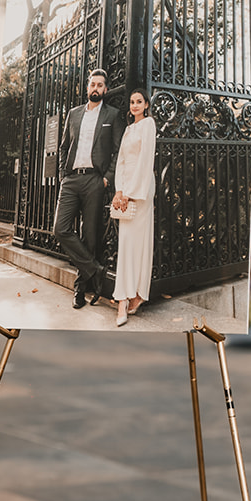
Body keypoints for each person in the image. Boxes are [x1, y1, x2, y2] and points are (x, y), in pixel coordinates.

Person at [52, 68, 125, 309]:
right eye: (93, 84)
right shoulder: (73, 114)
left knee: (90, 237)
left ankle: (80, 290)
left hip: (95, 180)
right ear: (87, 87)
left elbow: (118, 150)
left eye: (100, 85)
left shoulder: (112, 114)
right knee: (60, 229)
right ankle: (96, 270)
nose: (96, 88)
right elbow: (64, 147)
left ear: (105, 89)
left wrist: (107, 178)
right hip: (71, 180)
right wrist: (63, 175)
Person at [112, 89, 158, 326]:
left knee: (140, 243)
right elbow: (121, 161)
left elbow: (145, 160)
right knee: (126, 244)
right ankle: (123, 299)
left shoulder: (148, 125)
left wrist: (130, 193)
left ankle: (137, 294)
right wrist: (119, 190)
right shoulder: (129, 129)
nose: (135, 105)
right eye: (132, 102)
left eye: (139, 101)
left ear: (146, 104)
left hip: (141, 191)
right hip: (126, 190)